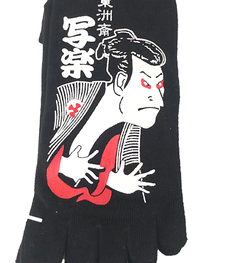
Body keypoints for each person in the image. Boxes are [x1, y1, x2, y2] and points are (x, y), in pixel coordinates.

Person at [47, 29, 166, 204]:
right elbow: (40, 145)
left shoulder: (131, 128)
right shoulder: (70, 95)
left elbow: (132, 181)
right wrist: (62, 166)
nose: (159, 101)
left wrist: (113, 181)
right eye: (145, 84)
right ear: (120, 82)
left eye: (160, 84)